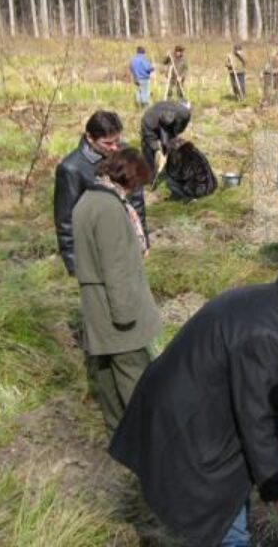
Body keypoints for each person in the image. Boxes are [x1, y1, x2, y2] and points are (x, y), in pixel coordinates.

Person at [108, 266, 278, 546]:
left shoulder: (269, 302)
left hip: (191, 414)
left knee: (226, 515)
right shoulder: (266, 335)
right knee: (226, 531)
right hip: (189, 434)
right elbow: (256, 419)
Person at [72, 148, 160, 434]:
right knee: (135, 372)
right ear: (129, 177)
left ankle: (119, 433)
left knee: (107, 372)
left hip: (97, 303)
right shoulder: (109, 209)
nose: (136, 190)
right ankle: (145, 435)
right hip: (115, 307)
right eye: (138, 182)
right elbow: (115, 267)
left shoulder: (89, 199)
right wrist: (124, 315)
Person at [54, 111, 147, 277]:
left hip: (127, 242)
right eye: (108, 143)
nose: (115, 148)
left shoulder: (125, 154)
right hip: (97, 249)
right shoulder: (71, 169)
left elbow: (136, 199)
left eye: (117, 140)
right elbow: (65, 221)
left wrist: (143, 239)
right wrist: (74, 266)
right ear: (90, 138)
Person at [140, 100, 192, 174]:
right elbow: (150, 139)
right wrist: (157, 149)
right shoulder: (149, 120)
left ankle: (173, 168)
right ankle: (148, 171)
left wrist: (175, 134)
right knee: (148, 148)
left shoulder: (182, 112)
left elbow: (183, 124)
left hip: (170, 125)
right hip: (152, 126)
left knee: (171, 145)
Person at [160, 137, 218, 201]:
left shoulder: (186, 156)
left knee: (169, 180)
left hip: (201, 189)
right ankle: (177, 196)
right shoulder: (195, 151)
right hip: (211, 186)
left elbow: (184, 175)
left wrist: (169, 171)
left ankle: (188, 198)